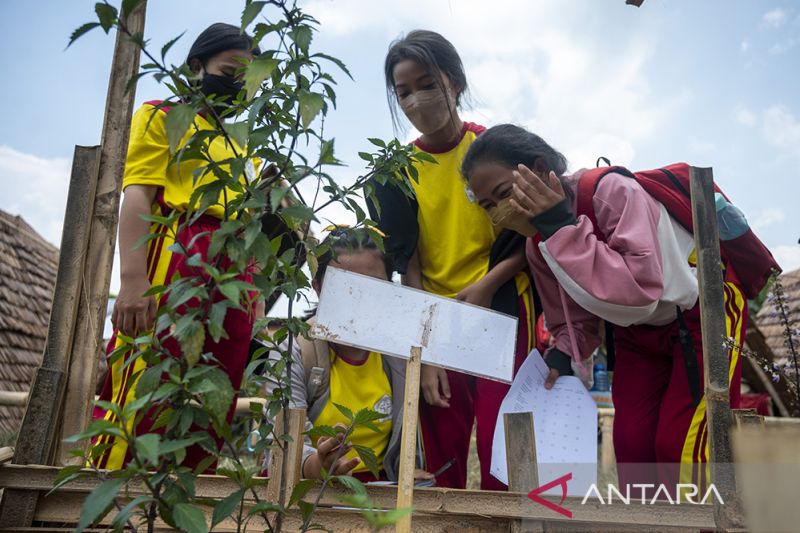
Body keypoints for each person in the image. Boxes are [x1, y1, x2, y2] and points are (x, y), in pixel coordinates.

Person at [462, 123, 750, 491]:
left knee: (681, 445)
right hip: (635, 335)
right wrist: (563, 354)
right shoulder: (538, 247)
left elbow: (642, 289)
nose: (498, 212)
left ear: (537, 168)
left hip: (701, 314)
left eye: (502, 194)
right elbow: (575, 321)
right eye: (487, 206)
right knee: (632, 445)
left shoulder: (611, 193)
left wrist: (561, 229)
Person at [369, 31, 536, 490]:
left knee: (503, 452)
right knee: (440, 464)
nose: (415, 99)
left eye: (426, 84)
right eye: (403, 92)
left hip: (503, 310)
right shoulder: (396, 172)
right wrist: (425, 351)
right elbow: (411, 265)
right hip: (436, 321)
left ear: (455, 81)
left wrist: (486, 284)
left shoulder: (496, 152)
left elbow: (533, 232)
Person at [92, 23, 261, 471]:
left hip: (234, 277)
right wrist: (132, 281)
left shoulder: (245, 145)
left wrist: (254, 290)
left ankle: (185, 501)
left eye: (249, 78)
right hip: (177, 255)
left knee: (214, 393)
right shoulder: (162, 114)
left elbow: (253, 224)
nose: (239, 84)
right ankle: (110, 494)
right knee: (148, 382)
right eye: (229, 71)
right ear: (196, 67)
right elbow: (138, 195)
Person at [262, 228, 434, 483]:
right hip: (307, 489)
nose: (358, 299)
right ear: (318, 287)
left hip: (378, 491)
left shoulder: (401, 352)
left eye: (372, 288)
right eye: (343, 287)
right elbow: (284, 446)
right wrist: (318, 465)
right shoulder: (292, 351)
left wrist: (406, 476)